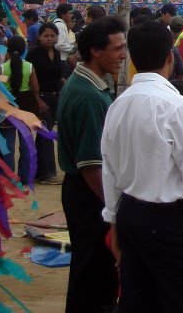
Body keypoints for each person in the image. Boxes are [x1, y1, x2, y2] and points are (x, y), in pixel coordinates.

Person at [100, 18, 183, 312]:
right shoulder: (176, 106)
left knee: (142, 301)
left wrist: (116, 227)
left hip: (131, 214)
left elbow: (110, 172)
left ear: (132, 57)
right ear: (171, 57)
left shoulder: (118, 105)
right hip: (167, 219)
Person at [58, 16, 127, 313]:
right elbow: (91, 166)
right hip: (90, 195)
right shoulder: (88, 96)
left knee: (89, 271)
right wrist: (114, 208)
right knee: (96, 275)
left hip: (83, 192)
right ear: (96, 51)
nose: (123, 55)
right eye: (117, 49)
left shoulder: (87, 83)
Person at [0, 36, 45, 184]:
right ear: (24, 49)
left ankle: (7, 177)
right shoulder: (29, 66)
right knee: (26, 143)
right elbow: (36, 88)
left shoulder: (2, 67)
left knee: (8, 144)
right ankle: (25, 176)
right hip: (27, 106)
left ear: (8, 50)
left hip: (7, 106)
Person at [27, 21, 63, 183]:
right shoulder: (33, 55)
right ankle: (48, 173)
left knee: (44, 135)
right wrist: (38, 100)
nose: (49, 39)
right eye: (45, 36)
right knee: (46, 134)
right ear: (39, 37)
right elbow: (29, 79)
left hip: (54, 97)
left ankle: (38, 172)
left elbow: (59, 77)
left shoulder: (56, 54)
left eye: (52, 36)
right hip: (40, 98)